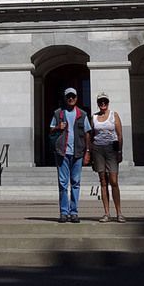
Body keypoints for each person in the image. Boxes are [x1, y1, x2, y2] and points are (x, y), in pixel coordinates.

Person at [48, 87, 91, 223]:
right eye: (68, 97)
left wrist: (87, 152)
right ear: (65, 98)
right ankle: (64, 212)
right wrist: (57, 127)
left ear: (77, 98)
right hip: (62, 153)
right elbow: (50, 130)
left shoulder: (82, 114)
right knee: (62, 183)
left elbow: (87, 133)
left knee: (76, 183)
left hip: (77, 153)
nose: (71, 99)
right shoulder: (58, 113)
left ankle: (74, 212)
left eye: (73, 96)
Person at [90, 91, 125, 222]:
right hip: (98, 149)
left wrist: (120, 151)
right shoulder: (94, 117)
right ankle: (106, 213)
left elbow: (120, 135)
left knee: (114, 181)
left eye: (105, 101)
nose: (102, 104)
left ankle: (119, 212)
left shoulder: (113, 115)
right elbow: (91, 135)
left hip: (111, 149)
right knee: (103, 181)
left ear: (108, 103)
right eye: (100, 102)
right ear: (98, 104)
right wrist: (90, 152)